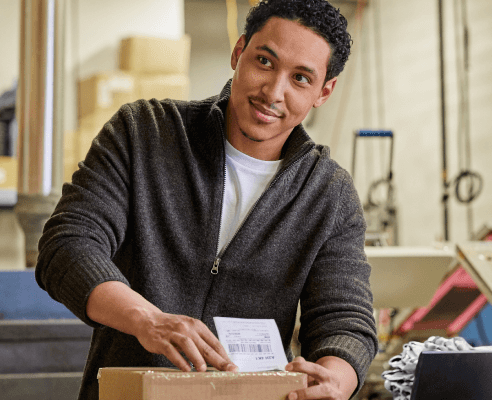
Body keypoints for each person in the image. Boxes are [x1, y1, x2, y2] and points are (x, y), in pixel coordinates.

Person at [34, 0, 378, 399]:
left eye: (301, 78)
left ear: (324, 91)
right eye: (265, 61)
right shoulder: (143, 133)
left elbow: (345, 320)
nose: (274, 92)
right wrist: (148, 320)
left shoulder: (329, 194)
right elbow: (68, 245)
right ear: (239, 52)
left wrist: (337, 378)